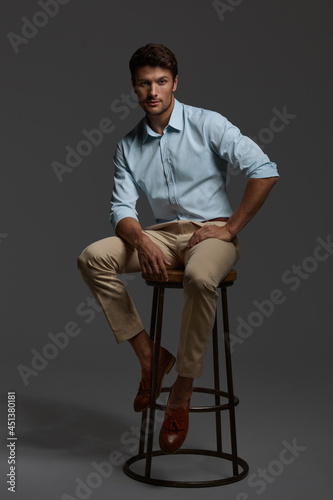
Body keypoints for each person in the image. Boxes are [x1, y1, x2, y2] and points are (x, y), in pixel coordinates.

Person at [77, 43, 279, 454]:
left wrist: (232, 227)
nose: (153, 91)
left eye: (161, 82)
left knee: (200, 277)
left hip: (211, 234)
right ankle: (151, 358)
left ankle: (182, 389)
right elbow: (121, 208)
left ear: (174, 84)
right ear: (133, 88)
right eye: (144, 83)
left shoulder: (208, 124)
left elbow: (265, 170)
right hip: (162, 236)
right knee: (92, 257)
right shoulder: (127, 146)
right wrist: (141, 239)